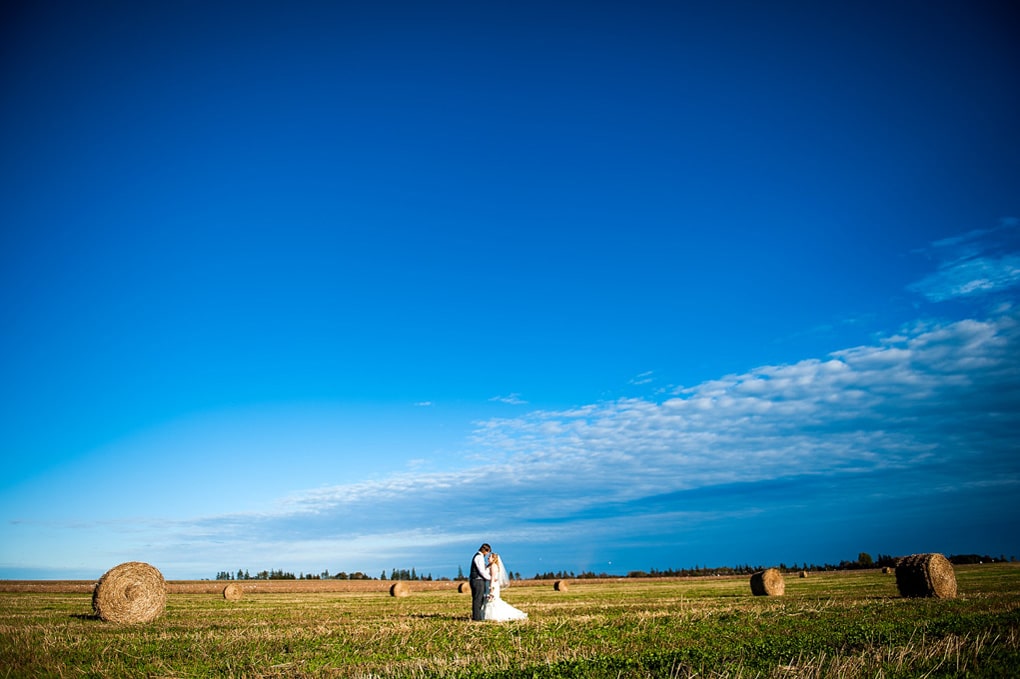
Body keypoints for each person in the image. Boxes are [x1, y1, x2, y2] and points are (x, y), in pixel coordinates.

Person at [480, 552, 527, 621]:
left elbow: (493, 578)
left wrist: (491, 589)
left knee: (492, 601)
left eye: (489, 557)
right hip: (488, 585)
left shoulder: (493, 566)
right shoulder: (489, 565)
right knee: (488, 601)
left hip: (492, 585)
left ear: (493, 558)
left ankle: (493, 616)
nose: (488, 558)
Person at [469, 543, 491, 621]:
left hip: (478, 580)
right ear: (485, 550)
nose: (487, 554)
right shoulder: (479, 557)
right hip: (477, 580)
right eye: (488, 552)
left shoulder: (479, 556)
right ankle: (476, 618)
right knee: (477, 599)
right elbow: (481, 571)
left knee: (479, 598)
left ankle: (478, 616)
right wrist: (489, 578)